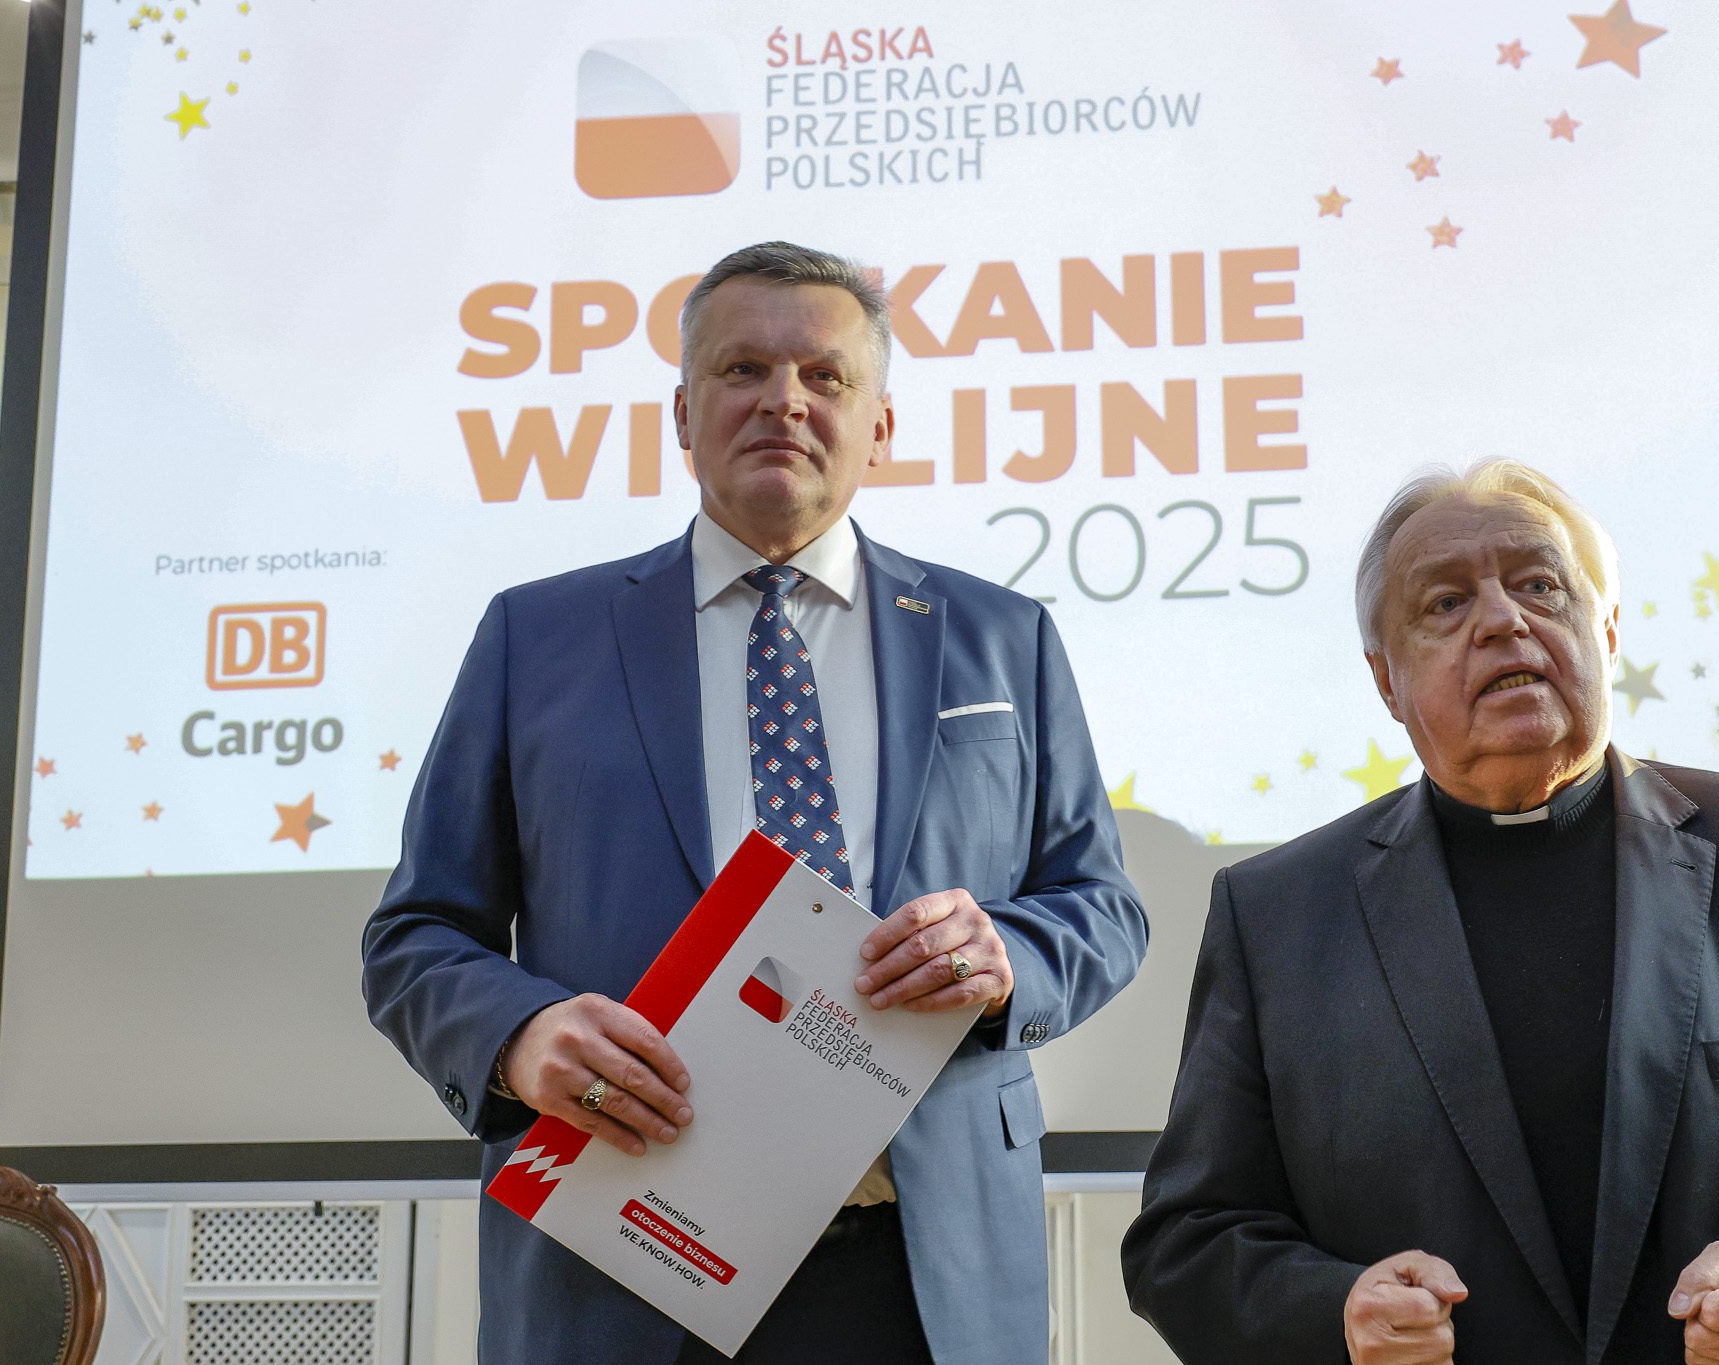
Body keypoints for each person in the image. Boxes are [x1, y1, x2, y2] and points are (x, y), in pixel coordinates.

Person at [363, 242, 1147, 1365]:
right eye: (743, 369)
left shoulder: (1001, 637)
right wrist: (519, 1036)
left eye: (825, 376)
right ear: (684, 414)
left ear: (880, 425)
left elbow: (1101, 908)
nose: (784, 399)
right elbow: (417, 935)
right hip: (627, 1257)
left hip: (926, 1267)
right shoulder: (534, 639)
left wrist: (1007, 957)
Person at [1121, 459, 1719, 1364]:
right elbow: (1188, 1239)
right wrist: (1335, 1314)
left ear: (1606, 629)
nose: (1502, 620)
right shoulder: (1278, 917)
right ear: (1386, 681)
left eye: (1540, 585)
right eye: (1445, 602)